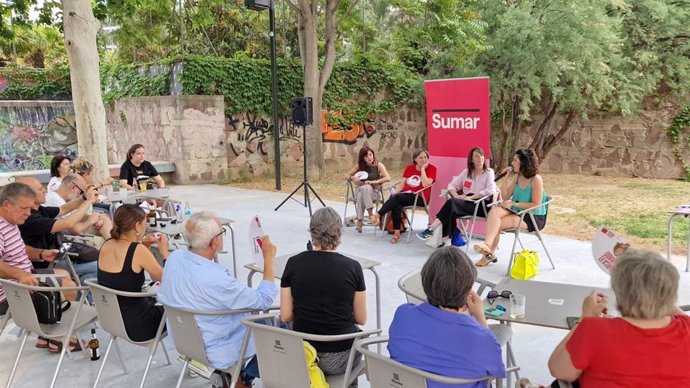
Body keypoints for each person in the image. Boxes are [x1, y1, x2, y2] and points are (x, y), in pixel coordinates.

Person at [157, 211, 277, 388]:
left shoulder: (174, 258)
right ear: (214, 242)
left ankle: (231, 378)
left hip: (185, 341)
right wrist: (269, 260)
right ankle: (242, 378)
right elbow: (264, 299)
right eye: (222, 233)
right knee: (279, 326)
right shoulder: (216, 279)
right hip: (216, 347)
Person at [548, 248, 690, 386]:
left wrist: (585, 317)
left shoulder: (595, 330)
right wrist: (655, 285)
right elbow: (676, 312)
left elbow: (559, 370)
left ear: (619, 291)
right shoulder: (686, 326)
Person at [388, 246, 507, 388]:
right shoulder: (481, 338)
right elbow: (495, 370)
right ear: (468, 289)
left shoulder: (403, 315)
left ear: (425, 281)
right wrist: (480, 316)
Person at [280, 207, 366, 384]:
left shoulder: (293, 263)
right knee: (358, 337)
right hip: (339, 357)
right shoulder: (353, 267)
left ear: (312, 232)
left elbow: (286, 315)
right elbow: (361, 318)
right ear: (339, 232)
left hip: (302, 353)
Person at [0, 182, 80, 353]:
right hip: (10, 293)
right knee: (70, 286)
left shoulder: (9, 222)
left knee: (64, 274)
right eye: (24, 208)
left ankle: (48, 335)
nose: (28, 214)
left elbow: (19, 249)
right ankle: (58, 337)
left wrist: (41, 253)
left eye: (30, 208)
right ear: (6, 205)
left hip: (23, 280)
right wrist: (19, 274)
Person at [97, 204, 168, 342]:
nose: (145, 227)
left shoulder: (107, 244)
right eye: (144, 223)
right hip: (140, 326)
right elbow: (168, 280)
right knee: (185, 310)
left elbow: (127, 271)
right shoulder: (137, 250)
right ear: (137, 226)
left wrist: (143, 245)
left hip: (113, 321)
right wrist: (164, 253)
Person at [16, 176, 101, 284]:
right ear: (27, 195)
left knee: (96, 265)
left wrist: (84, 197)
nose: (45, 190)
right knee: (98, 267)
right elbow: (68, 223)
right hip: (48, 263)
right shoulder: (30, 218)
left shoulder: (38, 210)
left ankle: (82, 295)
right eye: (40, 188)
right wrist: (88, 202)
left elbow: (63, 209)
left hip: (54, 254)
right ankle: (82, 296)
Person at [474, 149, 547, 267]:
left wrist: (514, 204)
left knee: (497, 224)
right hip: (517, 211)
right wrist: (506, 178)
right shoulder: (518, 177)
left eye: (515, 160)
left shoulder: (536, 179)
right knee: (495, 212)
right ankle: (487, 246)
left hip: (532, 216)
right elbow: (505, 196)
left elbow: (536, 204)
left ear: (524, 163)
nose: (512, 163)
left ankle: (487, 254)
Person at [417, 147, 496, 247]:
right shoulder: (466, 172)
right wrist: (456, 196)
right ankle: (443, 238)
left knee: (451, 204)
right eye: (476, 156)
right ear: (471, 160)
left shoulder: (489, 172)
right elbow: (451, 185)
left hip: (481, 205)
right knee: (451, 207)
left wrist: (470, 198)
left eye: (482, 155)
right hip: (467, 203)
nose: (480, 158)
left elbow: (490, 190)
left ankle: (435, 231)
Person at [370, 149, 437, 243]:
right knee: (396, 204)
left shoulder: (432, 168)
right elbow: (402, 185)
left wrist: (422, 169)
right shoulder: (409, 168)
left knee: (397, 197)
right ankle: (397, 232)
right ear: (415, 159)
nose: (423, 159)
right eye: (420, 157)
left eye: (425, 157)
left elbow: (426, 184)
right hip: (405, 196)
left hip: (420, 197)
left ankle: (377, 214)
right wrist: (393, 193)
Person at [44, 173, 112, 240]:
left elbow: (77, 215)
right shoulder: (56, 201)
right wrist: (90, 221)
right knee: (102, 242)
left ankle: (114, 245)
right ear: (73, 187)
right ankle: (113, 246)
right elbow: (74, 228)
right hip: (61, 240)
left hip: (65, 236)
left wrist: (97, 218)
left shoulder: (56, 198)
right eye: (82, 192)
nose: (80, 195)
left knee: (103, 218)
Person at [344, 146, 391, 232]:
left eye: (370, 154)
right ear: (363, 158)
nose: (369, 157)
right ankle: (371, 216)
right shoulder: (360, 166)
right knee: (364, 188)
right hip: (360, 191)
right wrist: (352, 177)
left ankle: (360, 220)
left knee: (363, 192)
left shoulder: (378, 165)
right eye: (366, 156)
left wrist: (375, 182)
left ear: (373, 154)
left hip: (375, 193)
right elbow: (345, 175)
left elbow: (388, 178)